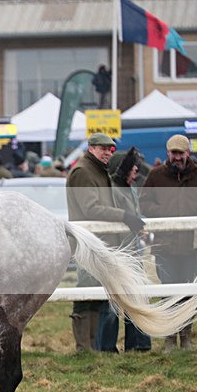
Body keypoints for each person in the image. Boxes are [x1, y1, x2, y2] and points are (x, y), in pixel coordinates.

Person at [66, 133, 144, 352]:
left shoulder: (98, 170)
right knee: (87, 294)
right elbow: (90, 208)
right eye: (103, 149)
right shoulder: (83, 172)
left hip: (100, 243)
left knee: (99, 295)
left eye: (110, 150)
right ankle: (85, 348)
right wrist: (124, 216)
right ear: (91, 148)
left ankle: (95, 347)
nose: (108, 153)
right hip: (89, 244)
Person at [139, 134, 197, 351]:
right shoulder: (156, 175)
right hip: (165, 245)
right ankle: (170, 338)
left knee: (189, 293)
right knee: (168, 292)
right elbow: (144, 202)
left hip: (191, 245)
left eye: (181, 153)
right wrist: (164, 214)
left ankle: (186, 337)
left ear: (188, 153)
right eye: (173, 153)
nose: (177, 157)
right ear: (167, 153)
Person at [106, 147, 151, 352]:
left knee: (137, 296)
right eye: (132, 167)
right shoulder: (114, 190)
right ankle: (109, 346)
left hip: (133, 249)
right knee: (114, 302)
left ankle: (138, 344)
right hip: (119, 250)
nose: (136, 171)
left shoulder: (130, 189)